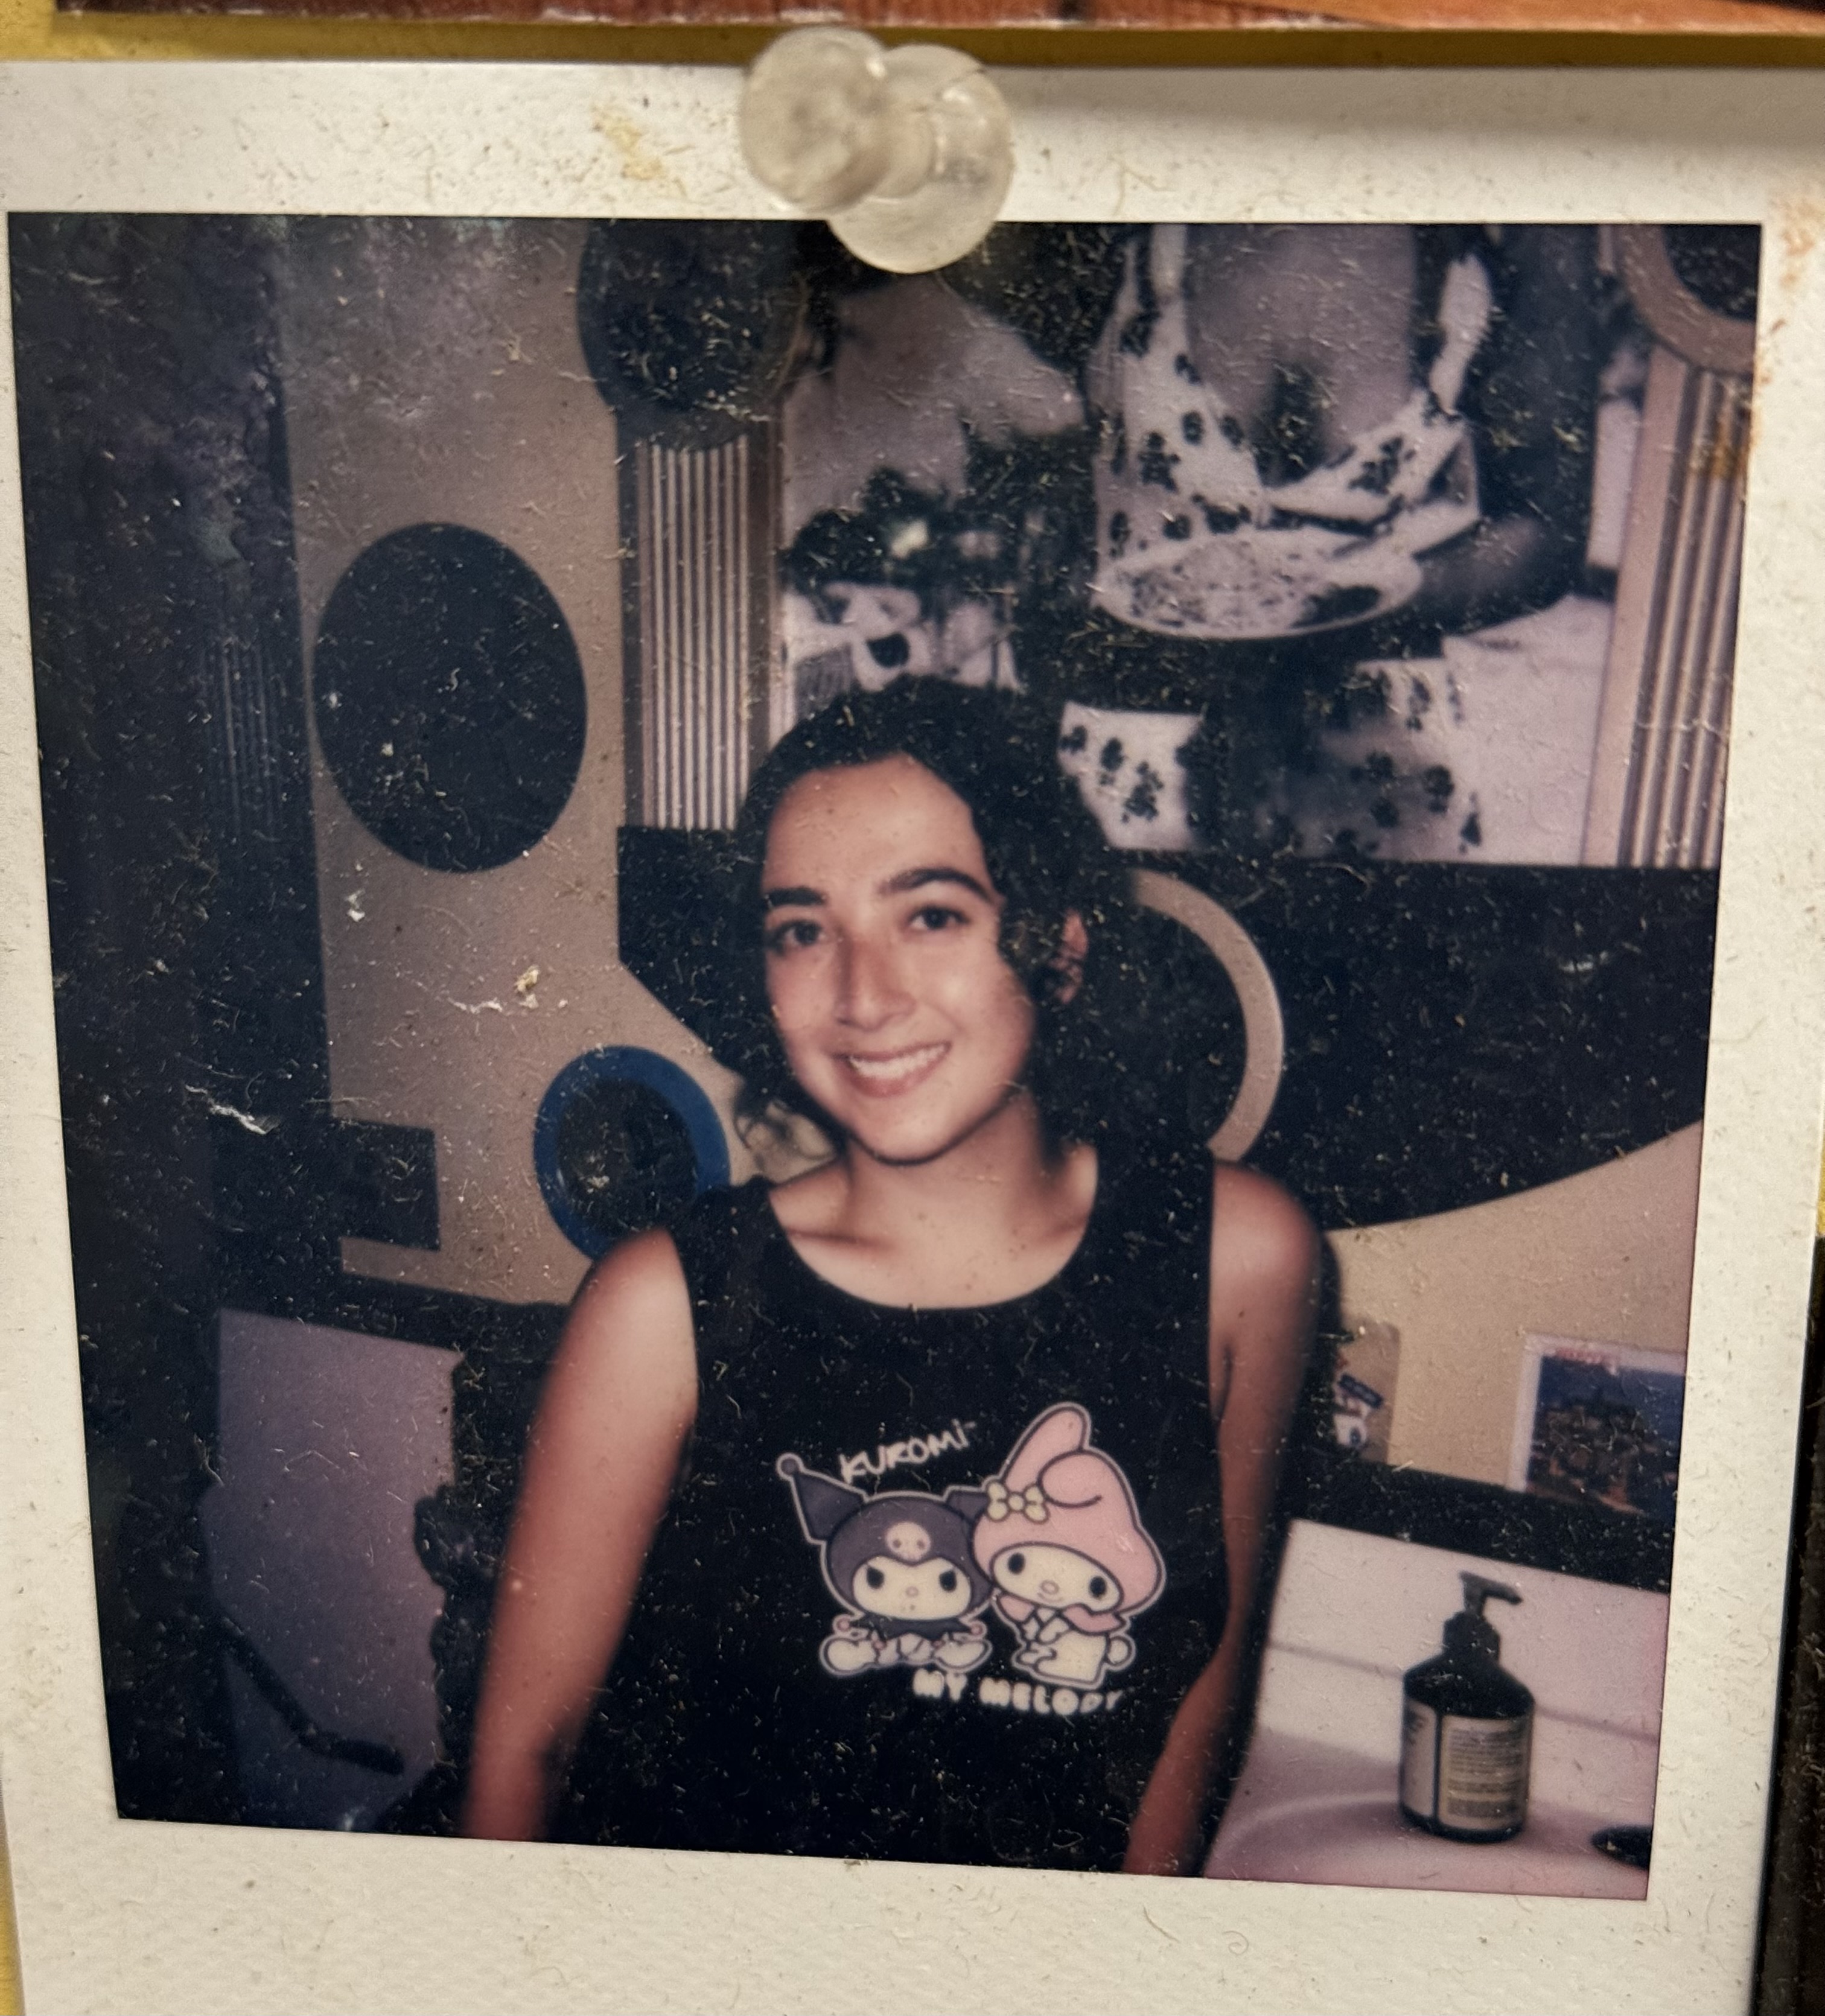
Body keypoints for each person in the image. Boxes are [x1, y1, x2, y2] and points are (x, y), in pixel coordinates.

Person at [462, 678, 1319, 1875]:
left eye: (930, 915)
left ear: (1058, 950)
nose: (862, 998)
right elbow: (525, 1752)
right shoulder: (666, 1305)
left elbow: (1203, 1668)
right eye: (803, 930)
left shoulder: (1241, 1256)